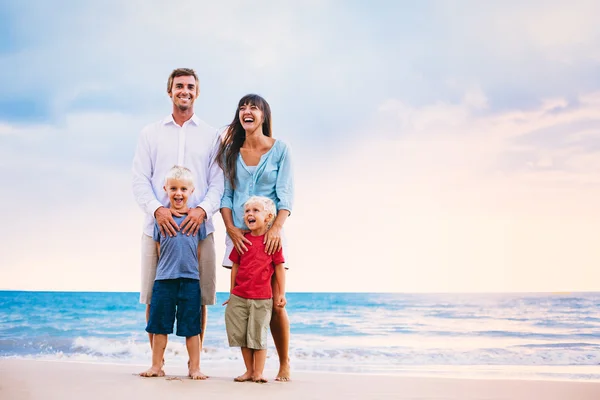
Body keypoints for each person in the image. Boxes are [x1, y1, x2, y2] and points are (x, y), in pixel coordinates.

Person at [132, 68, 223, 378]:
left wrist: (203, 211)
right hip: (157, 227)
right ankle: (156, 364)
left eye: (190, 87)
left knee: (199, 299)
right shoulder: (150, 133)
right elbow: (139, 179)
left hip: (200, 229)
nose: (185, 91)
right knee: (153, 295)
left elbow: (218, 181)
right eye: (179, 86)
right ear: (169, 91)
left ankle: (193, 364)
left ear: (197, 93)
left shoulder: (211, 135)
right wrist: (158, 209)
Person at [216, 94, 294, 381]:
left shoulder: (280, 150)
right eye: (242, 108)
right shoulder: (230, 151)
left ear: (263, 115)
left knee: (274, 303)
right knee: (242, 301)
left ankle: (284, 363)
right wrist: (230, 228)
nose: (247, 112)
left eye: (253, 108)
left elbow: (286, 196)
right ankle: (252, 369)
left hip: (270, 235)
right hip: (238, 238)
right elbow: (225, 195)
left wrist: (275, 229)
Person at [139, 166, 206, 379]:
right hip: (164, 280)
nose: (179, 193)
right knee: (159, 326)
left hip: (190, 280)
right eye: (174, 188)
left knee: (191, 328)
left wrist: (192, 271)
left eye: (184, 189)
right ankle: (156, 365)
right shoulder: (160, 220)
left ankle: (194, 367)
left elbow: (197, 249)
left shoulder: (198, 220)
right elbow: (160, 250)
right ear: (165, 189)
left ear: (192, 190)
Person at [223, 196, 286, 383]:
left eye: (255, 211)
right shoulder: (242, 240)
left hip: (262, 298)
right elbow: (235, 266)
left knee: (257, 336)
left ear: (268, 217)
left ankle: (258, 372)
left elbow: (279, 268)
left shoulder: (273, 242)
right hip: (240, 296)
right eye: (247, 211)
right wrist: (232, 291)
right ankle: (249, 371)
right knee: (242, 335)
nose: (249, 214)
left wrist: (281, 293)